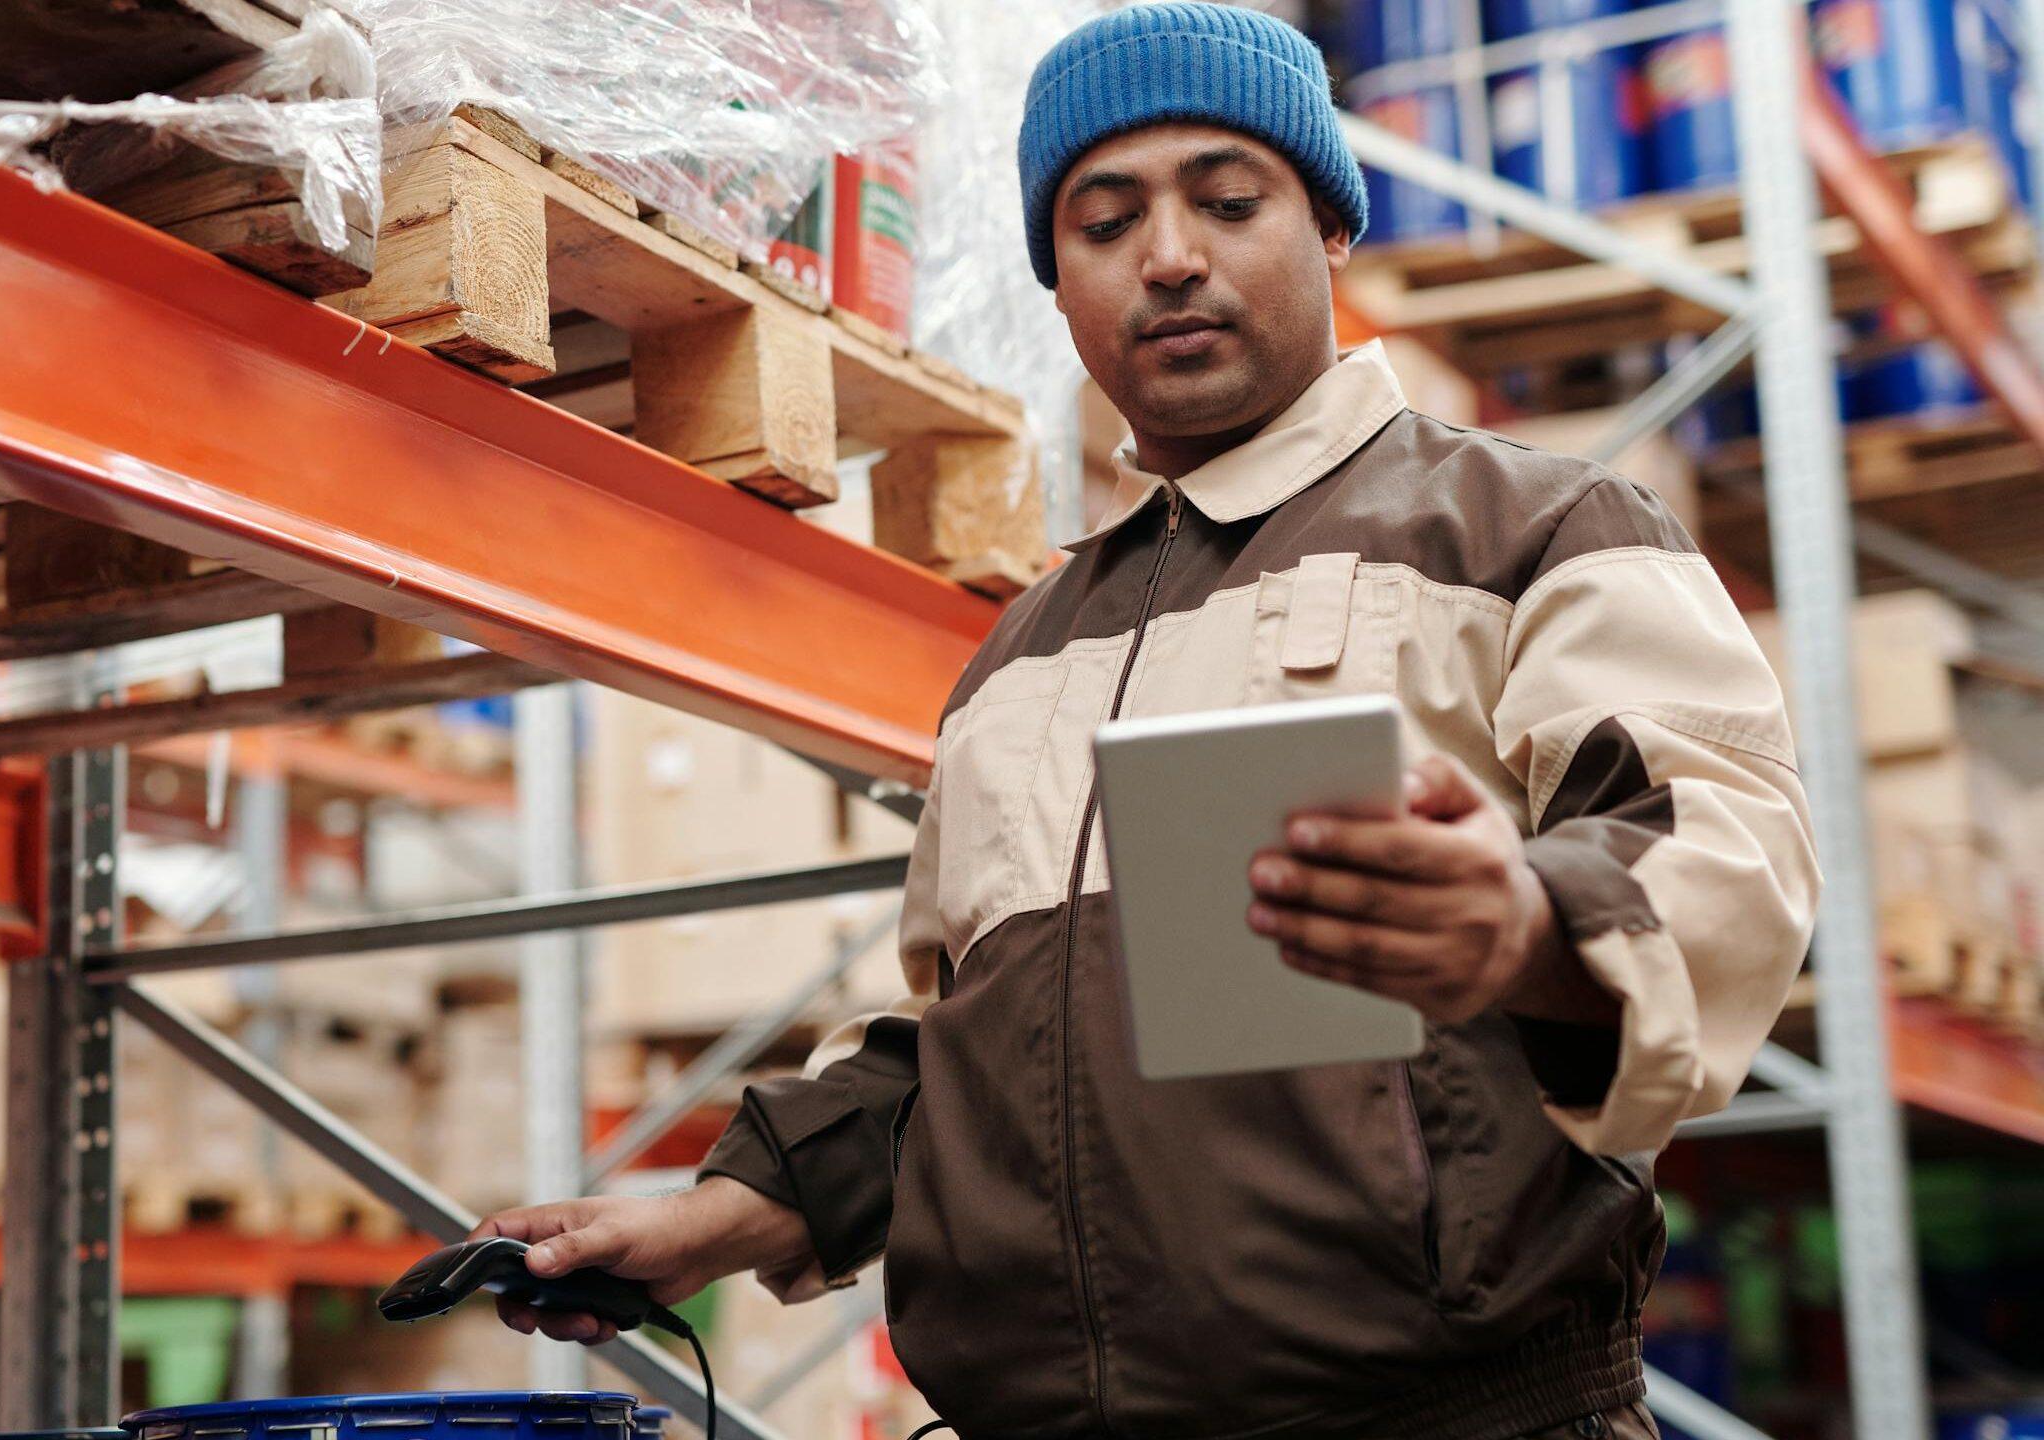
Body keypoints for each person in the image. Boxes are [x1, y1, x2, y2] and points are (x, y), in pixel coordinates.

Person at [472, 6, 1821, 1437]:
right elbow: (981, 1045)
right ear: (1059, 283)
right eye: (1106, 222)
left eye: (1229, 200)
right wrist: (730, 1212)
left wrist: (1529, 925)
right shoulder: (1021, 657)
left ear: (1330, 227)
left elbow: (1724, 854)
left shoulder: (1530, 529)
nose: (1169, 255)